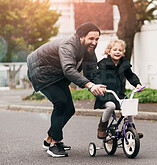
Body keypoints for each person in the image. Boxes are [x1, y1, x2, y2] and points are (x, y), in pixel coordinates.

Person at [27, 22, 106, 157]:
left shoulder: (88, 51)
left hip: (58, 77)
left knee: (70, 109)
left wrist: (102, 87)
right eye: (91, 39)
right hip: (42, 74)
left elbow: (92, 73)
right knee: (61, 102)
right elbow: (68, 69)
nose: (94, 42)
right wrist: (90, 85)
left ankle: (49, 139)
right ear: (80, 37)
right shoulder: (68, 45)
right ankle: (55, 144)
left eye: (97, 39)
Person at [93, 39, 143, 139]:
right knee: (111, 106)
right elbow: (97, 76)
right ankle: (102, 126)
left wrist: (137, 84)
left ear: (123, 52)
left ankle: (131, 128)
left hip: (118, 94)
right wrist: (99, 86)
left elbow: (130, 75)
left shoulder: (124, 63)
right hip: (106, 94)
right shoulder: (104, 64)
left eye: (120, 50)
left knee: (129, 106)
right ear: (109, 51)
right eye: (114, 49)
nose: (117, 52)